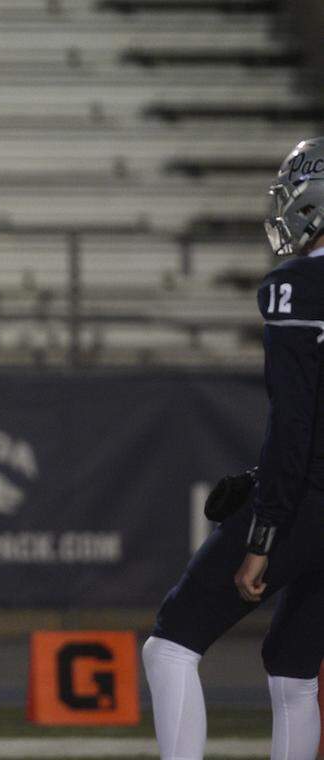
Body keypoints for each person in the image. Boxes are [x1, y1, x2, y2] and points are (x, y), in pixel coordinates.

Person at [144, 137, 324, 760]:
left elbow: (296, 423)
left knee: (171, 644)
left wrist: (265, 531)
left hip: (306, 498)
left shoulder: (298, 284)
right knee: (293, 671)